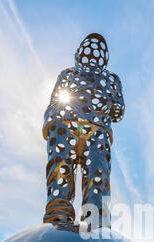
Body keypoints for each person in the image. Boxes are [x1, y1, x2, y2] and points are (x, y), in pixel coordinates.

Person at [42, 33, 125, 230]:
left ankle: (60, 211)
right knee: (96, 172)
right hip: (92, 127)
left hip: (65, 122)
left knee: (63, 167)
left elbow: (54, 100)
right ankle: (94, 217)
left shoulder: (68, 73)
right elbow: (119, 111)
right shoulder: (110, 78)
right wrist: (102, 104)